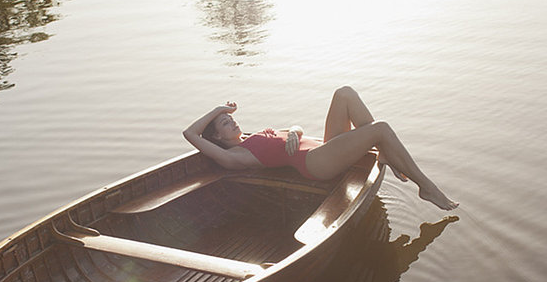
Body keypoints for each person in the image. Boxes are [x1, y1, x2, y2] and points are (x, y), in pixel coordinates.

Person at [183, 86, 458, 210]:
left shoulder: (250, 137)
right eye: (223, 122)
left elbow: (295, 131)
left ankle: (383, 149)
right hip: (315, 164)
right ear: (216, 138)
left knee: (345, 93)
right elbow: (190, 133)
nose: (231, 120)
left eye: (230, 117)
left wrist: (294, 130)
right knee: (380, 128)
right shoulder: (233, 157)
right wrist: (219, 107)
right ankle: (426, 186)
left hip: (323, 147)